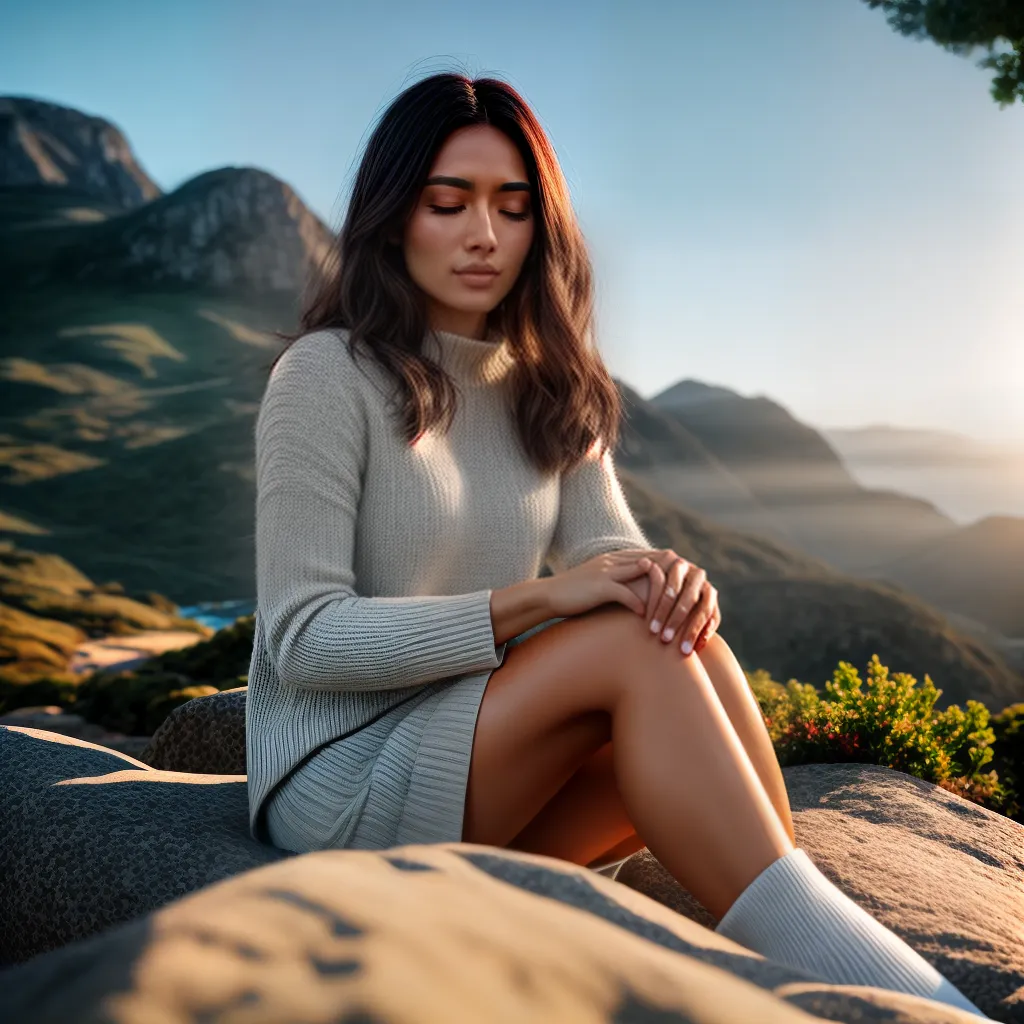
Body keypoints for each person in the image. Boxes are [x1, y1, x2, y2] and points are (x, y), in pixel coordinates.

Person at [246, 70, 986, 1018]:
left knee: (683, 637)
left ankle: (796, 933)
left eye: (513, 209)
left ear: (538, 227)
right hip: (343, 777)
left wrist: (673, 581)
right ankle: (891, 996)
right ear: (396, 216)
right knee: (629, 642)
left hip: (485, 763)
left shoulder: (549, 386)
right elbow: (305, 638)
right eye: (449, 203)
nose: (484, 235)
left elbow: (616, 561)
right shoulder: (325, 375)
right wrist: (537, 600)